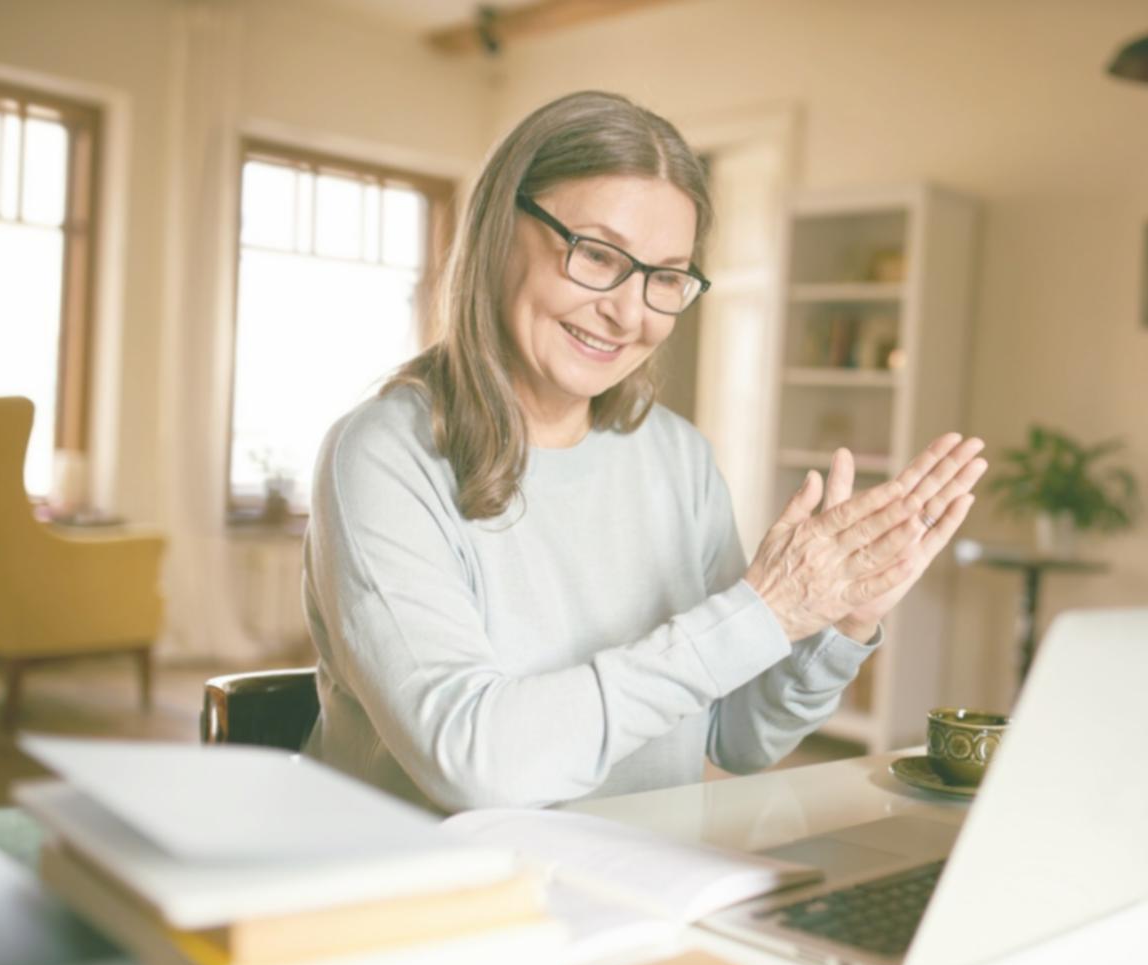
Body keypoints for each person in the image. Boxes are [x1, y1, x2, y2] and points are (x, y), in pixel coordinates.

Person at [302, 91, 986, 812]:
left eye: (664, 278)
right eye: (597, 254)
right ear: (499, 229)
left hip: (638, 868)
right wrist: (763, 611)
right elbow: (477, 765)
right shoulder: (384, 456)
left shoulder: (678, 458)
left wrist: (841, 620)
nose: (628, 313)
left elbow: (738, 735)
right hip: (437, 880)